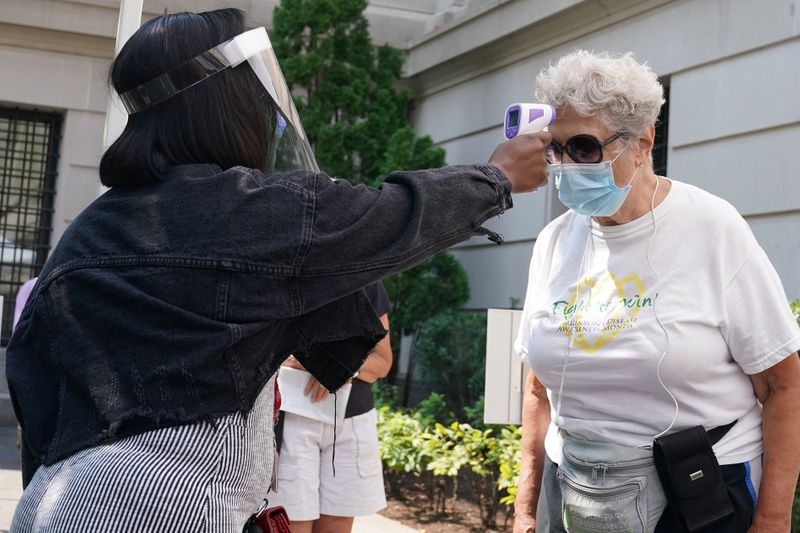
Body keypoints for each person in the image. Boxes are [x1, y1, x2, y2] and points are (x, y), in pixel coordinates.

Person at [6, 9, 552, 532]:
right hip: (157, 503)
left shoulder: (91, 230)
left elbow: (37, 392)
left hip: (52, 501)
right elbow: (387, 216)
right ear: (224, 107)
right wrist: (496, 176)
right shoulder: (246, 211)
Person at [512, 50, 800, 533]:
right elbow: (538, 391)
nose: (563, 166)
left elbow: (783, 385)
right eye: (553, 149)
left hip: (697, 494)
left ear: (642, 142)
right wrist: (525, 511)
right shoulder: (555, 240)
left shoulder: (712, 227)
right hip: (572, 492)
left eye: (583, 147)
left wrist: (771, 521)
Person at [268, 281, 392, 532]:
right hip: (291, 419)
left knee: (336, 523)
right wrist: (315, 362)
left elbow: (382, 362)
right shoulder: (284, 268)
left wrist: (343, 365)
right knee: (292, 522)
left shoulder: (367, 275)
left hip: (350, 421)